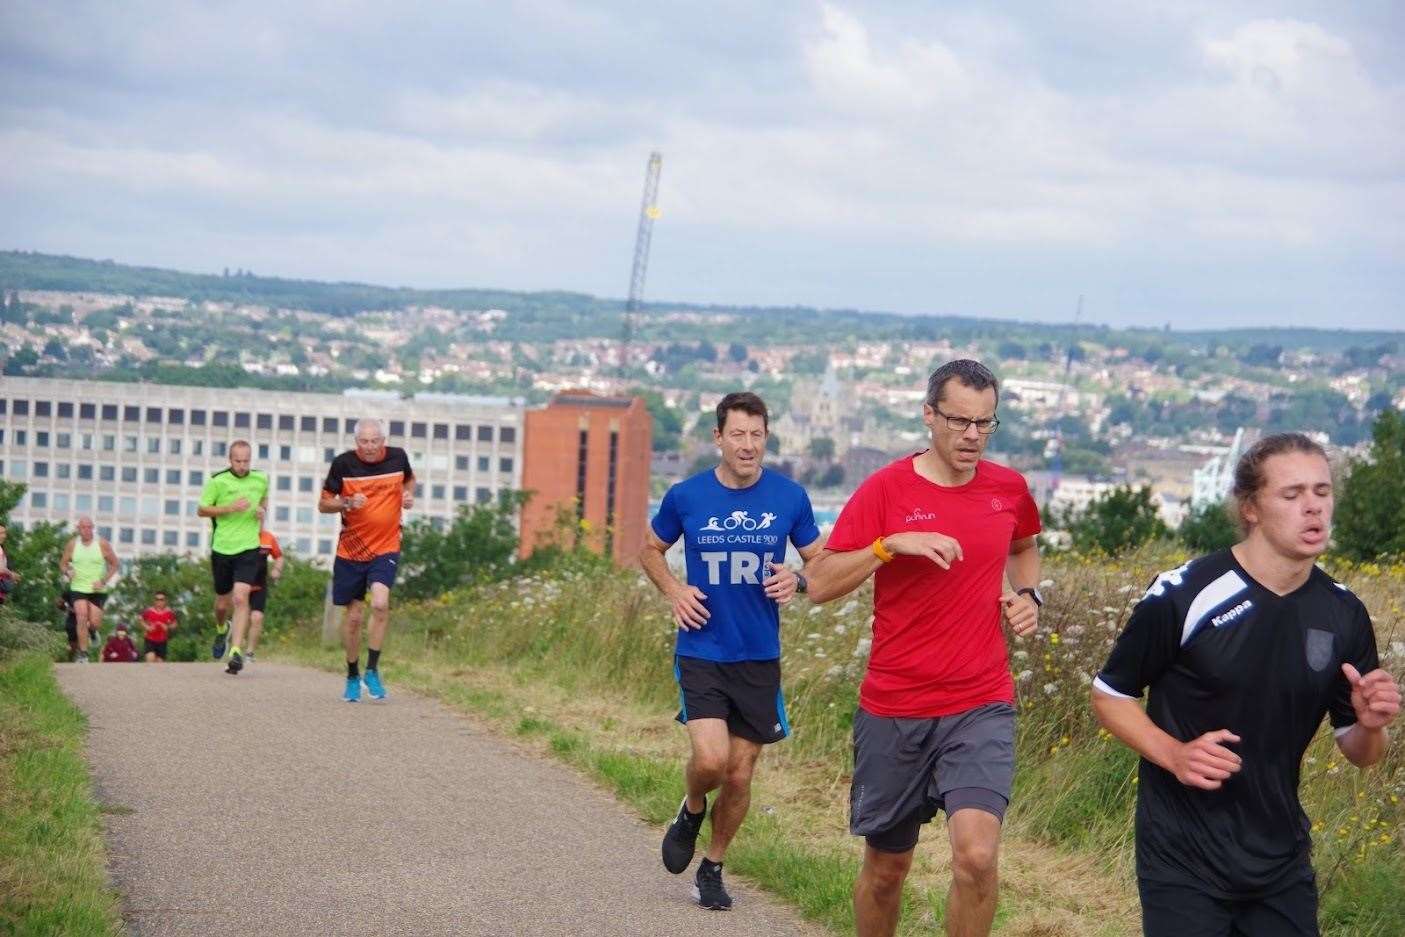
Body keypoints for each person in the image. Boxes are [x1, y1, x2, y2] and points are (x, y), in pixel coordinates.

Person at [1091, 432, 1400, 937]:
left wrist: (1370, 725)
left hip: (1280, 858)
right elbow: (1110, 695)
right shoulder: (1185, 593)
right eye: (1292, 494)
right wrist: (1174, 755)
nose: (1313, 508)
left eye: (1322, 492)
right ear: (1251, 507)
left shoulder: (1344, 613)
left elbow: (1361, 753)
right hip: (1182, 855)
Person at [804, 360, 1042, 937]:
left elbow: (1025, 545)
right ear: (929, 416)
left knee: (977, 856)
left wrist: (1027, 594)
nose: (972, 436)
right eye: (960, 421)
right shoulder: (886, 489)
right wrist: (888, 547)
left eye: (986, 424)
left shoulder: (1007, 487)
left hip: (981, 701)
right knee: (888, 869)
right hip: (895, 705)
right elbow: (820, 584)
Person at [640, 391, 823, 911]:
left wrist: (800, 578)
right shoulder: (686, 496)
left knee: (741, 774)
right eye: (738, 434)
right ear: (718, 438)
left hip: (759, 655)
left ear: (767, 438)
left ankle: (713, 867)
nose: (748, 445)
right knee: (713, 760)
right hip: (701, 648)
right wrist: (674, 591)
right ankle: (693, 805)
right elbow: (649, 549)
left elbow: (821, 561)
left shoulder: (789, 497)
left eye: (757, 435)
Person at [319, 418, 414, 703]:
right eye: (364, 441)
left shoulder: (398, 457)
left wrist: (408, 495)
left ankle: (372, 670)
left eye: (375, 441)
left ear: (383, 440)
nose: (370, 447)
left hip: (386, 546)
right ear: (356, 441)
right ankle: (352, 674)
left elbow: (409, 479)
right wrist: (346, 502)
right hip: (351, 551)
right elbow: (323, 503)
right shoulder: (343, 464)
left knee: (382, 604)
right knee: (354, 618)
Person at [197, 440, 268, 676]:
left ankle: (236, 651)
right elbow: (202, 510)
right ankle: (221, 628)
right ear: (230, 460)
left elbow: (263, 501)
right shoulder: (218, 481)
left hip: (249, 547)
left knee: (240, 597)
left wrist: (262, 511)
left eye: (246, 461)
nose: (242, 465)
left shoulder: (260, 479)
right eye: (237, 461)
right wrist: (229, 508)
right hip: (222, 548)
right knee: (221, 603)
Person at [59, 517, 120, 663]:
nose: (86, 530)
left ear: (93, 528)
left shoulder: (102, 544)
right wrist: (67, 572)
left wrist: (103, 580)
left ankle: (92, 631)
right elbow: (62, 563)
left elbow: (115, 564)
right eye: (83, 527)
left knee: (94, 622)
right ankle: (83, 654)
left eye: (89, 527)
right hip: (78, 587)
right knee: (81, 617)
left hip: (97, 589)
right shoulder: (72, 544)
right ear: (78, 529)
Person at [245, 528, 284, 663]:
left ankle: (249, 654)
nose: (258, 518)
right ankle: (235, 650)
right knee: (242, 618)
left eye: (262, 514)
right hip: (241, 585)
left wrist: (277, 569)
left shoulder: (268, 538)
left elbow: (278, 556)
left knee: (257, 618)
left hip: (259, 585)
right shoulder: (239, 535)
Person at [139, 591, 178, 663]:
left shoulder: (169, 612)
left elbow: (175, 624)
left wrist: (168, 627)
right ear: (154, 601)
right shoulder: (149, 611)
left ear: (165, 601)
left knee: (159, 665)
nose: (159, 601)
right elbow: (140, 619)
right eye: (157, 599)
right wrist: (147, 627)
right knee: (150, 658)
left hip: (162, 641)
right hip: (150, 640)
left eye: (161, 599)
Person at [0, 523, 18, 605]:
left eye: (4, 533)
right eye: (1, 533)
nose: (4, 536)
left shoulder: (2, 549)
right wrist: (11, 574)